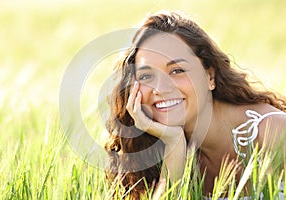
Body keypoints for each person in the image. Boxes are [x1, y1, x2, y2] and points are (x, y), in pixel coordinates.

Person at [104, 11, 286, 199]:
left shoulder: (274, 133)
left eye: (177, 70)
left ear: (210, 77)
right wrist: (174, 143)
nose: (161, 88)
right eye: (147, 76)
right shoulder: (158, 150)